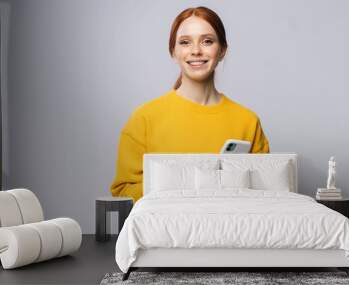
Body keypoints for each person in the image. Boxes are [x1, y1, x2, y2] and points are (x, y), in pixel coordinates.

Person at [110, 6, 270, 202]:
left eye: (207, 41)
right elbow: (122, 192)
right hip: (165, 230)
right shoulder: (144, 119)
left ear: (222, 50)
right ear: (173, 52)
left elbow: (266, 193)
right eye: (185, 42)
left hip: (230, 230)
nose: (195, 50)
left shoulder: (248, 121)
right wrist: (188, 188)